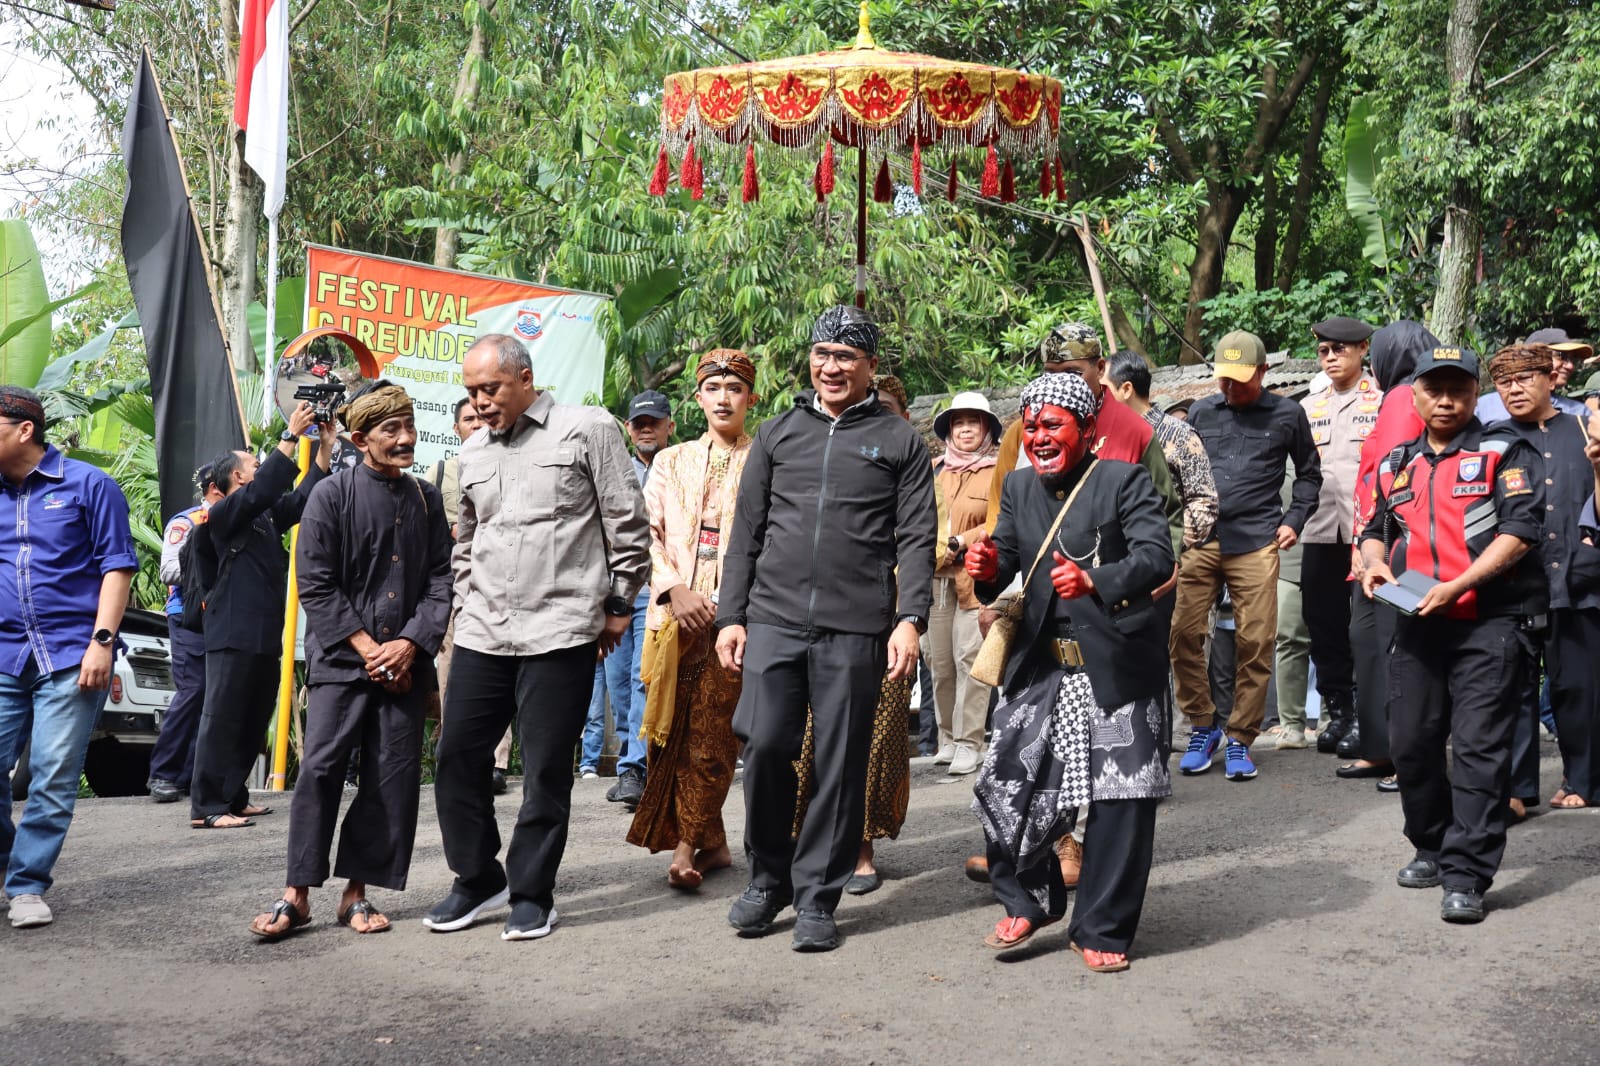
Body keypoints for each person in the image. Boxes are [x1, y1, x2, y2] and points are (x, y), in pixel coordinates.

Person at [715, 305, 936, 953]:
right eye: (822, 354)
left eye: (846, 356)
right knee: (763, 747)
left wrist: (909, 619)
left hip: (857, 628)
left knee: (840, 766)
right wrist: (733, 616)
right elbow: (746, 535)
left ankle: (817, 896)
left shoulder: (899, 442)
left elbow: (918, 536)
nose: (831, 366)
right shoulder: (779, 435)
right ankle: (768, 878)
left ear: (870, 366)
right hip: (775, 621)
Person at [426, 334, 649, 941]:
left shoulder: (587, 429)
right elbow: (466, 542)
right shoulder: (473, 451)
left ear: (525, 378)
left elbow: (626, 522)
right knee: (456, 760)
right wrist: (469, 602)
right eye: (472, 391)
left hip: (561, 629)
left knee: (546, 769)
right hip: (483, 631)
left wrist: (619, 607)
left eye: (490, 388)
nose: (481, 401)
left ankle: (531, 892)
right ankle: (476, 877)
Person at [964, 372, 1174, 973]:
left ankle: (1102, 926)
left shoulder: (1123, 480)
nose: (1039, 437)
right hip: (1043, 666)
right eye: (1030, 427)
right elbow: (1004, 558)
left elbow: (1157, 555)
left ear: (1086, 431)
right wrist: (986, 564)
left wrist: (1095, 582)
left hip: (1117, 665)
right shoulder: (1022, 486)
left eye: (1053, 425)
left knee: (1121, 800)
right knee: (1008, 779)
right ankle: (1026, 901)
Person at [249, 382, 453, 940]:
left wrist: (409, 645)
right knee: (319, 771)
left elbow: (441, 579)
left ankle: (356, 894)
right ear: (361, 439)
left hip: (404, 665)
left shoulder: (425, 498)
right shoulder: (330, 495)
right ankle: (297, 893)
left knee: (390, 776)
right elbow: (314, 584)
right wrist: (370, 649)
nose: (406, 437)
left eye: (409, 425)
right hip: (343, 662)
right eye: (392, 429)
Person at [1360, 344, 1546, 923]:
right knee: (1410, 743)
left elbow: (1519, 531)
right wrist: (1374, 565)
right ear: (1412, 393)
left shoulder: (1503, 450)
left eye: (1458, 389)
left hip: (1490, 623)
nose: (1446, 400)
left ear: (1473, 393)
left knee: (1477, 753)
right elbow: (1375, 526)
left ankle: (1466, 873)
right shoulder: (1396, 462)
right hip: (1417, 621)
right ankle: (1432, 844)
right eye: (1434, 389)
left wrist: (1460, 583)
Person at [0, 386, 138, 928]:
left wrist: (101, 642)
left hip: (72, 656)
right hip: (5, 655)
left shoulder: (88, 484)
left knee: (52, 775)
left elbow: (117, 567)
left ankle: (28, 886)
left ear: (23, 429)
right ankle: (11, 865)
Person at [626, 350, 756, 888]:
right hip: (671, 620)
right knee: (667, 735)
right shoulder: (670, 461)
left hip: (735, 621)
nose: (723, 397)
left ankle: (685, 847)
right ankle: (716, 843)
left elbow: (768, 541)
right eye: (714, 387)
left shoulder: (767, 457)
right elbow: (643, 534)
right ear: (697, 397)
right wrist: (674, 590)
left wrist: (727, 605)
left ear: (751, 397)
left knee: (712, 734)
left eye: (735, 388)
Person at [791, 373, 923, 898]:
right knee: (808, 738)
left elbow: (923, 542)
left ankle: (861, 847)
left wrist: (907, 618)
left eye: (890, 410)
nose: (880, 419)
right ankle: (803, 843)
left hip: (889, 620)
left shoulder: (910, 464)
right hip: (822, 618)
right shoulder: (832, 458)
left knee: (876, 735)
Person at [1171, 330, 1321, 782]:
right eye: (1223, 379)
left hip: (1257, 541)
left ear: (1262, 372)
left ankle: (1240, 738)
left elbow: (1311, 476)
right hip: (1202, 540)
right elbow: (1179, 474)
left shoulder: (1288, 415)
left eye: (1239, 379)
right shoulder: (1201, 410)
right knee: (1183, 634)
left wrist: (1293, 520)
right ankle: (1203, 725)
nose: (1229, 388)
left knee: (1256, 642)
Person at [189, 402, 334, 829]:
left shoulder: (264, 516)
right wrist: (290, 436)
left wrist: (324, 449)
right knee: (222, 717)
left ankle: (233, 797)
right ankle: (207, 806)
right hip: (231, 631)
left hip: (263, 630)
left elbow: (302, 501)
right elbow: (265, 490)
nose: (261, 465)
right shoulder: (223, 515)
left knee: (252, 715)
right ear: (237, 477)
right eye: (254, 463)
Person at [1484, 346, 1600, 810]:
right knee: (1514, 688)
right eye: (1504, 382)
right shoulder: (1490, 439)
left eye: (1525, 378)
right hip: (1515, 584)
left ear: (1551, 378)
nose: (1514, 389)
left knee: (1578, 686)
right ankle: (1517, 789)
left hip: (1579, 578)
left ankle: (1582, 780)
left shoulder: (1580, 432)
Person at [987, 324, 1183, 557]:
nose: (1060, 382)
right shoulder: (1024, 431)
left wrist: (1166, 564)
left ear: (1100, 368)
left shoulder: (1135, 431)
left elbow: (1166, 510)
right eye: (1050, 373)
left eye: (1072, 372)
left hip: (1116, 574)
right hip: (1036, 570)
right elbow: (999, 507)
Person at [1347, 321, 1437, 792]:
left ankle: (1406, 758)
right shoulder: (1397, 397)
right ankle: (1381, 749)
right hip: (1376, 543)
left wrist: (1373, 544)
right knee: (1369, 646)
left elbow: (1394, 478)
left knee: (1394, 651)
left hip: (1395, 548)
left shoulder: (1403, 397)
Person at [1298, 317, 1380, 759]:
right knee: (1322, 623)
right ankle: (1339, 711)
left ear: (1363, 349)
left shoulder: (1383, 400)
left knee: (1363, 627)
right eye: (1324, 350)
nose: (1331, 357)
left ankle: (1370, 716)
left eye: (1340, 349)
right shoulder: (1309, 406)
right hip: (1319, 528)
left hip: (1366, 531)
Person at [429, 397, 509, 792]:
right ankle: (452, 753)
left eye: (480, 418)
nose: (475, 424)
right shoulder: (442, 471)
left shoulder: (509, 463)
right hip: (453, 586)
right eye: (467, 419)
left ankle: (496, 763)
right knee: (450, 670)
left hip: (499, 587)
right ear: (456, 428)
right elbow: (425, 530)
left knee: (500, 667)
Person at [601, 390, 672, 809]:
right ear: (628, 429)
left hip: (657, 590)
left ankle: (633, 768)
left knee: (644, 678)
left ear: (669, 426)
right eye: (638, 423)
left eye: (654, 422)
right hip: (613, 592)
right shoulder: (614, 470)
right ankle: (638, 760)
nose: (646, 429)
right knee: (617, 682)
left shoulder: (678, 466)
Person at [925, 390, 1000, 775]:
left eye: (973, 421)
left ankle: (971, 742)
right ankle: (948, 739)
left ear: (986, 427)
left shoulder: (997, 468)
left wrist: (961, 541)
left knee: (970, 659)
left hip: (975, 577)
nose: (966, 429)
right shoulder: (935, 469)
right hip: (934, 577)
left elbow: (998, 522)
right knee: (939, 664)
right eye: (959, 422)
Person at [146, 463, 225, 803]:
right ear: (214, 488)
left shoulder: (239, 520)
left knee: (215, 697)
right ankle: (162, 773)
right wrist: (211, 570)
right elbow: (168, 569)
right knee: (193, 690)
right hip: (189, 616)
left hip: (224, 619)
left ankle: (189, 776)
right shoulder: (187, 522)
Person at [1106, 350, 1219, 552]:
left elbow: (1203, 503)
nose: (1099, 396)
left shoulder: (1179, 435)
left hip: (1173, 558)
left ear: (1126, 389)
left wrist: (1166, 547)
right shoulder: (1104, 437)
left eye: (1104, 389)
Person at [1475, 329, 1592, 423]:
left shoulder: (1578, 413)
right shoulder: (1485, 407)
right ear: (1529, 358)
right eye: (1561, 356)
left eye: (1573, 359)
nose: (1570, 366)